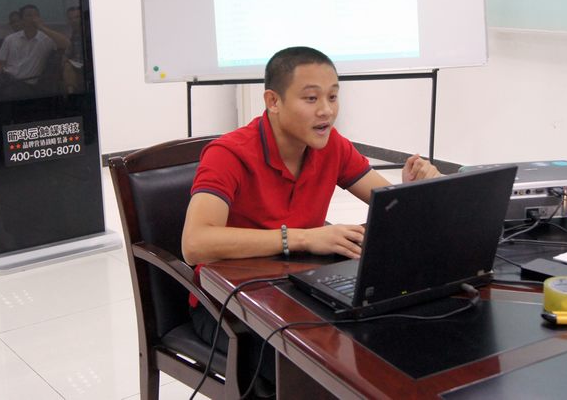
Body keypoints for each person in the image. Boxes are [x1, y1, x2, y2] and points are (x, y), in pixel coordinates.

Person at [181, 46, 439, 396]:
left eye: (333, 97)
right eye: (311, 98)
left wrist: (411, 192)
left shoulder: (331, 146)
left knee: (386, 344)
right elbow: (195, 244)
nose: (326, 111)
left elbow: (390, 207)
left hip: (299, 293)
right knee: (313, 374)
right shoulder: (228, 154)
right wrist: (301, 238)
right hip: (228, 309)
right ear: (273, 101)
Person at [0, 4, 70, 84]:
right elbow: (0, 62)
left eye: (36, 15)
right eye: (29, 15)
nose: (33, 19)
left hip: (27, 83)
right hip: (7, 79)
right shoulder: (10, 39)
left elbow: (67, 44)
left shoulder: (46, 39)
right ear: (22, 20)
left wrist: (42, 27)